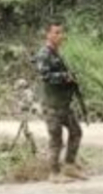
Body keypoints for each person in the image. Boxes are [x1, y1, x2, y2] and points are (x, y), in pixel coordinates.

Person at [32, 21, 86, 183]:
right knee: (56, 140)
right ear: (48, 35)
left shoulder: (56, 53)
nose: (60, 36)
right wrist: (65, 77)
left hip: (63, 104)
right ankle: (54, 173)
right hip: (52, 105)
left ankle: (69, 165)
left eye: (61, 32)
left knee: (76, 132)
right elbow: (45, 76)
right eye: (56, 32)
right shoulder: (44, 54)